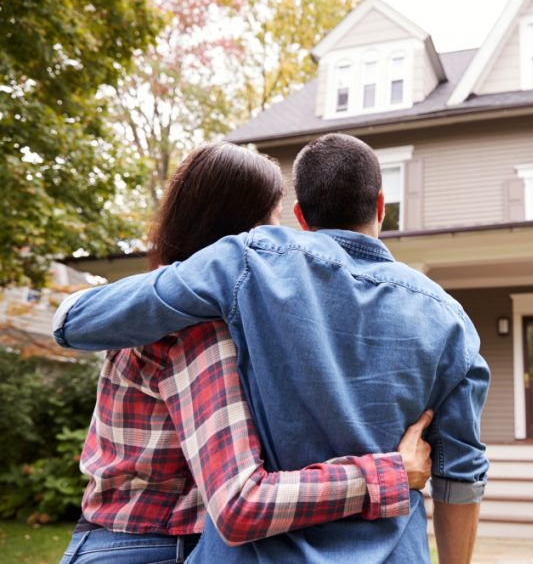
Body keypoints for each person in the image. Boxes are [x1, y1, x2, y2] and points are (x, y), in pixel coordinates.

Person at [54, 133, 490, 563]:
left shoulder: (245, 267)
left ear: (300, 216)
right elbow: (461, 475)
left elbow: (74, 323)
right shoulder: (452, 321)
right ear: (380, 206)